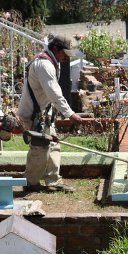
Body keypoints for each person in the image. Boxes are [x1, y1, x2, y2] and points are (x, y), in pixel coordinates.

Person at [19, 37, 77, 192]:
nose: (66, 58)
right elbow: (53, 93)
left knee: (53, 145)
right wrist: (70, 114)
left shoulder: (50, 62)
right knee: (39, 149)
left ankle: (53, 181)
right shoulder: (44, 65)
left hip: (43, 114)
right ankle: (30, 183)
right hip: (33, 114)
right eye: (64, 53)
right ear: (56, 49)